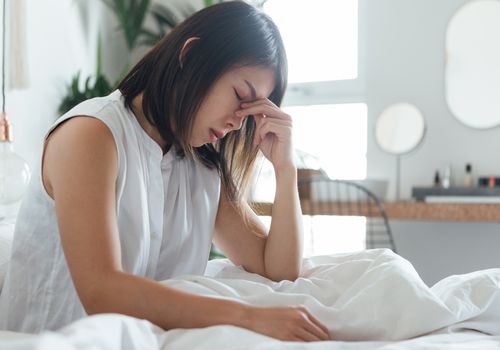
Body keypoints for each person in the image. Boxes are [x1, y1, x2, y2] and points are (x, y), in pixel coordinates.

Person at [0, 1, 330, 342]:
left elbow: (278, 270)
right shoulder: (92, 134)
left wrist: (285, 168)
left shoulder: (201, 166)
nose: (237, 122)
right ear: (191, 55)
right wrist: (247, 317)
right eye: (239, 95)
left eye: (249, 112)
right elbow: (102, 291)